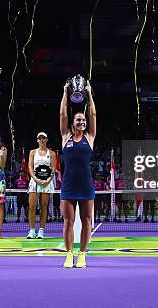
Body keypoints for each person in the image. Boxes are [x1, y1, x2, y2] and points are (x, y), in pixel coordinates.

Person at [60, 81, 96, 268]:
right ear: (73, 123)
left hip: (85, 185)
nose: (82, 121)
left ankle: (82, 254)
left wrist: (89, 94)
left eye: (83, 120)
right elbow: (63, 113)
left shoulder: (89, 138)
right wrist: (66, 92)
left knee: (87, 220)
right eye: (78, 120)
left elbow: (93, 113)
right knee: (68, 221)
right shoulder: (66, 137)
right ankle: (69, 255)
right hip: (68, 185)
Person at [26, 132, 57, 239]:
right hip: (34, 181)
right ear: (37, 140)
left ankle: (41, 231)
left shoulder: (52, 153)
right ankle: (32, 231)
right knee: (32, 206)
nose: (42, 140)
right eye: (40, 138)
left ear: (46, 140)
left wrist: (48, 180)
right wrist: (35, 179)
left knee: (44, 206)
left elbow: (53, 168)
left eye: (44, 138)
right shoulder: (32, 152)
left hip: (47, 182)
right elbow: (30, 167)